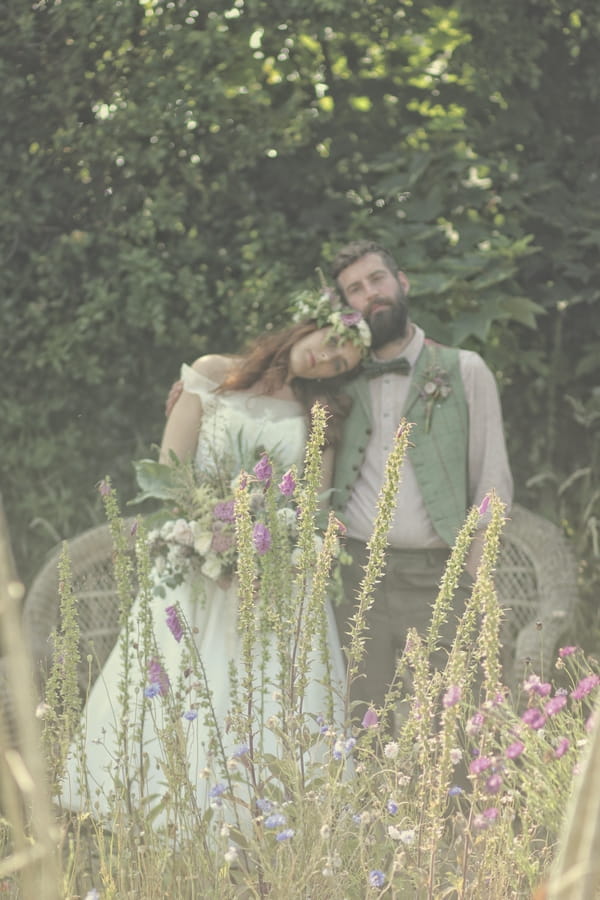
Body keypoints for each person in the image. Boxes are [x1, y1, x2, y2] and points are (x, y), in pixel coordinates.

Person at [60, 307, 370, 832]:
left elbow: (315, 506)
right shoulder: (211, 372)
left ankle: (255, 826)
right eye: (331, 342)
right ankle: (163, 822)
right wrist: (209, 534)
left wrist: (267, 546)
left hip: (272, 579)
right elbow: (168, 471)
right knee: (175, 690)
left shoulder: (321, 414)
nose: (325, 359)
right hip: (194, 567)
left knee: (258, 694)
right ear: (311, 321)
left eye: (339, 363)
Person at [326, 240, 514, 718]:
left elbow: (492, 486)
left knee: (451, 731)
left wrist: (471, 583)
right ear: (344, 306)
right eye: (355, 289)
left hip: (440, 576)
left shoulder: (465, 370)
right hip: (355, 578)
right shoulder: (335, 380)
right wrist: (202, 379)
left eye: (377, 279)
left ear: (402, 281)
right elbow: (267, 376)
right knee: (360, 727)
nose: (370, 294)